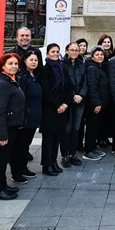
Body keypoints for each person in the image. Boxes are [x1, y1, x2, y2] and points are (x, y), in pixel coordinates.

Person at [0, 53, 25, 199]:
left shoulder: (12, 80)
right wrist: (3, 134)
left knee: (5, 157)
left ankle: (3, 185)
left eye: (16, 64)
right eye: (10, 63)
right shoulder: (1, 84)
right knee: (1, 158)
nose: (14, 66)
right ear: (2, 65)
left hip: (12, 126)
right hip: (5, 128)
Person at [39, 43, 73, 175]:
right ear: (47, 54)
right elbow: (46, 91)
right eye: (52, 51)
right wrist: (58, 105)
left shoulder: (62, 68)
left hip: (62, 110)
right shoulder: (44, 70)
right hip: (50, 109)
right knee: (48, 139)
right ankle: (46, 165)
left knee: (57, 138)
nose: (55, 54)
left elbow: (70, 88)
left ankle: (54, 162)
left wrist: (65, 104)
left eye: (57, 52)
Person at [61, 42, 87, 167]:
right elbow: (64, 84)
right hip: (68, 101)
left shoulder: (82, 64)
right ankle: (65, 155)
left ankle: (73, 154)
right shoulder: (62, 65)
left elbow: (85, 82)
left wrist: (81, 95)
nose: (74, 52)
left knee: (76, 129)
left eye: (76, 50)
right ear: (67, 51)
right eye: (72, 50)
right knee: (67, 129)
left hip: (80, 101)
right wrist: (72, 96)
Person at [17, 50, 42, 178]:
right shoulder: (22, 77)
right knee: (21, 145)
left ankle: (23, 167)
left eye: (36, 60)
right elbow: (21, 99)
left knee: (26, 144)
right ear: (25, 61)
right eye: (31, 60)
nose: (34, 62)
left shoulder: (35, 76)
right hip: (25, 117)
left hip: (34, 116)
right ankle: (19, 170)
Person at [83, 46, 109, 160]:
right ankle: (88, 150)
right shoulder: (92, 69)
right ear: (92, 56)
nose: (100, 56)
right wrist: (97, 103)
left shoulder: (99, 67)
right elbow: (92, 87)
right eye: (97, 54)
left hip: (100, 103)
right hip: (94, 105)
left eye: (101, 54)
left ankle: (93, 148)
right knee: (91, 128)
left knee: (96, 127)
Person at [96, 34, 115, 147]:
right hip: (101, 90)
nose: (107, 44)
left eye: (108, 42)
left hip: (109, 91)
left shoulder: (113, 55)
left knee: (108, 117)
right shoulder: (99, 55)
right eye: (105, 42)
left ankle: (105, 137)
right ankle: (100, 138)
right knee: (100, 118)